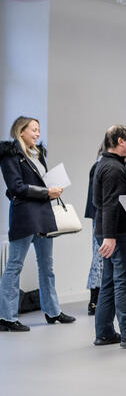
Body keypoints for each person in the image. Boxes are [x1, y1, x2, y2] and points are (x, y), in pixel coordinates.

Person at [0, 116, 75, 331]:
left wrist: (53, 189)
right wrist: (46, 192)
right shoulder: (10, 155)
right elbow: (16, 187)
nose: (37, 133)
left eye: (38, 129)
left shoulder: (37, 154)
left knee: (47, 266)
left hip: (43, 213)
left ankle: (53, 312)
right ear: (20, 131)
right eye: (33, 129)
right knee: (14, 266)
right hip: (25, 216)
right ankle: (6, 317)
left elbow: (40, 182)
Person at [93, 125, 126, 348]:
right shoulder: (114, 168)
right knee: (125, 282)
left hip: (110, 234)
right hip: (120, 235)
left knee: (109, 283)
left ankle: (104, 332)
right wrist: (111, 236)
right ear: (121, 141)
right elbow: (110, 204)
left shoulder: (105, 165)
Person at [85, 145, 105, 316]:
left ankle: (99, 299)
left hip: (100, 215)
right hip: (100, 216)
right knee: (99, 257)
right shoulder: (100, 166)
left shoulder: (99, 165)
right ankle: (94, 300)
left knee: (101, 257)